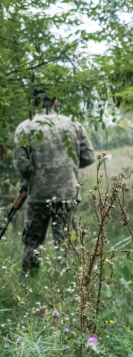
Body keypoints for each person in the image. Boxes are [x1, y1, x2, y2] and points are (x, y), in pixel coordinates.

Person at [13, 89, 95, 275]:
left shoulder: (25, 128)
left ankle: (28, 285)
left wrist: (36, 176)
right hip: (68, 193)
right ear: (55, 102)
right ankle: (67, 286)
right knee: (66, 244)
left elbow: (21, 165)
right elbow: (89, 157)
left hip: (38, 196)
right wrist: (68, 167)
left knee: (33, 242)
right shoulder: (73, 125)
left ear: (33, 102)